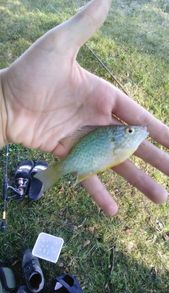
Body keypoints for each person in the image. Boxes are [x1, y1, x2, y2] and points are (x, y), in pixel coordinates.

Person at [0, 0, 168, 216]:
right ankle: (53, 172)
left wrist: (5, 104)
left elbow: (108, 154)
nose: (134, 131)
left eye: (130, 130)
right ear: (122, 135)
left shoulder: (123, 145)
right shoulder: (120, 144)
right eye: (129, 130)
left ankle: (53, 172)